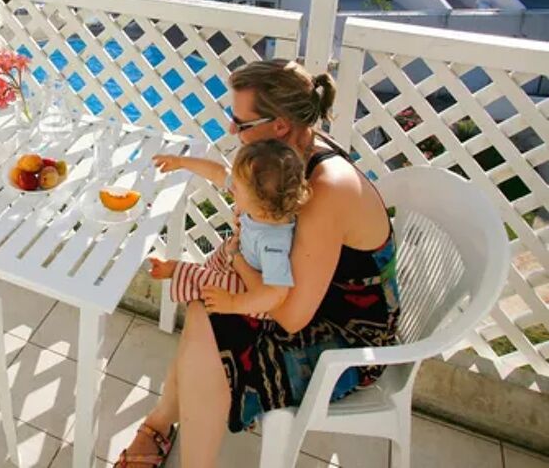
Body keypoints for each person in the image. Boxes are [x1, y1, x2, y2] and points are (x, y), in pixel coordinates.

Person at [116, 59, 400, 468]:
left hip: (347, 333)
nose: (232, 130)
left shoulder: (326, 189)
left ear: (281, 125)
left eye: (241, 122)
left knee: (210, 314)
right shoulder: (284, 160)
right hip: (304, 293)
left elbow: (292, 318)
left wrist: (235, 259)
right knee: (207, 308)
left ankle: (173, 437)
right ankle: (164, 424)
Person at [149, 139, 310, 318]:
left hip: (254, 292)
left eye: (236, 188)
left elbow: (276, 294)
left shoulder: (272, 243)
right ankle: (198, 272)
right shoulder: (263, 205)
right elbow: (218, 173)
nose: (231, 187)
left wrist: (232, 303)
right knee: (220, 256)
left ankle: (176, 270)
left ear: (261, 206)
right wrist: (181, 162)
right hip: (239, 252)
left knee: (211, 283)